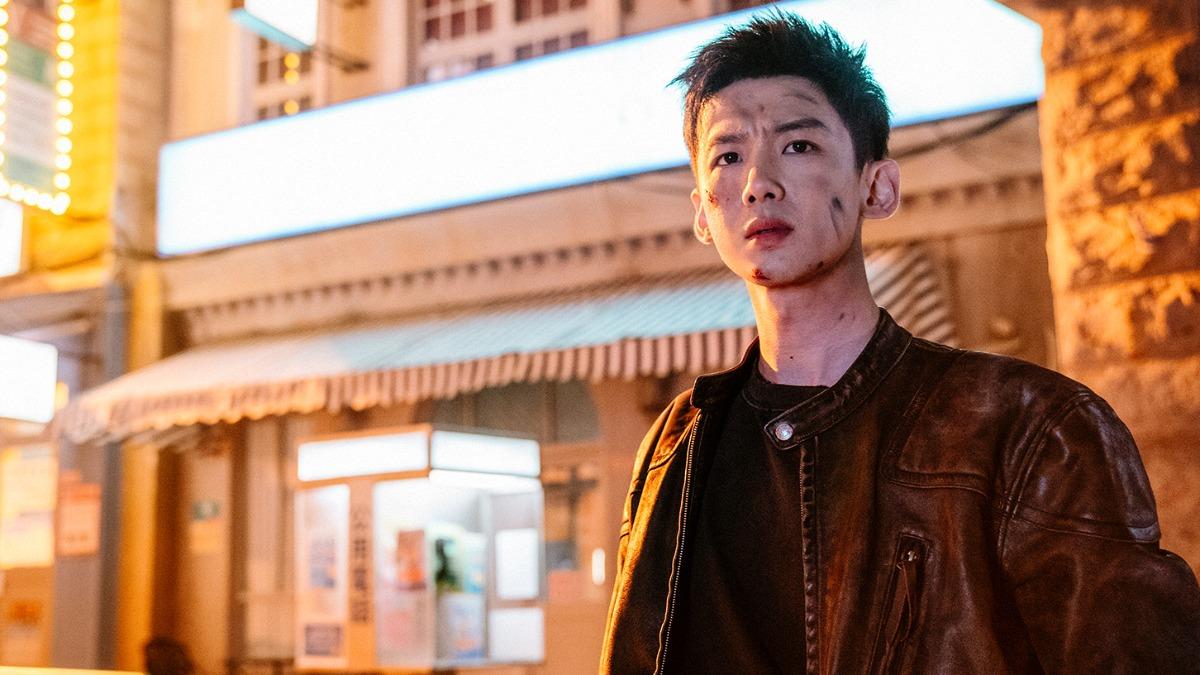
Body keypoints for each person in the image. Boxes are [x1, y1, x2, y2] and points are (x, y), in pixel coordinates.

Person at [600, 12, 1200, 674]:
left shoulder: (1029, 428)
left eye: (799, 145)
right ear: (702, 212)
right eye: (728, 156)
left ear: (877, 187)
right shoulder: (673, 446)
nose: (758, 183)